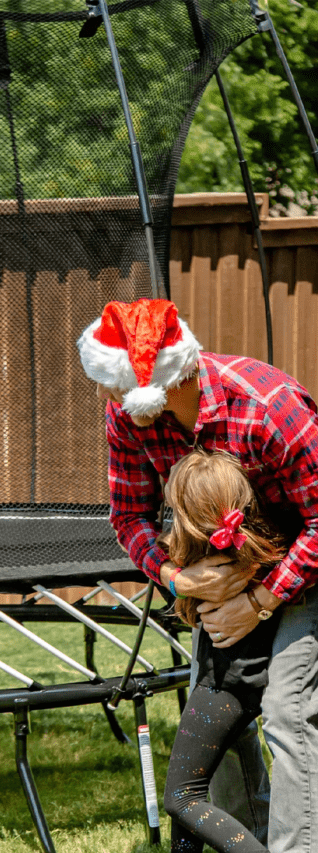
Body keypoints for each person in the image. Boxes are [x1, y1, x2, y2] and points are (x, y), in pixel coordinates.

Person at [76, 297, 318, 853]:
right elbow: (128, 517)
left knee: (288, 712)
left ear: (158, 384)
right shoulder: (130, 418)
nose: (104, 398)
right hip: (220, 586)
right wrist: (174, 577)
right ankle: (248, 841)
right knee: (219, 737)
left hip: (305, 571)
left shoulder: (269, 407)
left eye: (110, 385)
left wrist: (259, 599)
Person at [161, 449, 292, 852]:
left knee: (182, 798)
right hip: (244, 682)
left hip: (222, 689)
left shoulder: (207, 569)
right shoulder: (252, 553)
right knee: (189, 797)